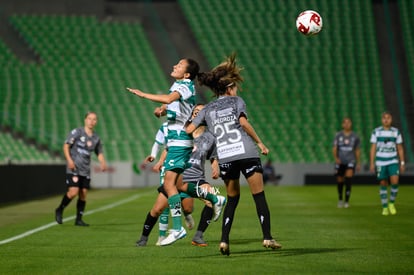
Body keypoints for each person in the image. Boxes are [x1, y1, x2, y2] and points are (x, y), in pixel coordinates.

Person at [186, 54, 282, 256]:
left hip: (226, 158)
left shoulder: (208, 108)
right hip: (246, 152)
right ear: (229, 88)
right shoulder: (236, 101)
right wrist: (260, 142)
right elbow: (244, 124)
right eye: (235, 87)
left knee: (232, 200)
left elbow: (188, 130)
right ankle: (267, 237)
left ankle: (224, 241)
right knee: (259, 196)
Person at [126, 59, 225, 246]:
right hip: (176, 142)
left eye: (179, 65)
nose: (174, 66)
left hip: (179, 142)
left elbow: (170, 98)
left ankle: (178, 228)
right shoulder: (180, 85)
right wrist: (162, 111)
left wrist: (143, 95)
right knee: (179, 186)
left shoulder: (185, 85)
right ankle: (214, 198)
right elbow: (175, 106)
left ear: (187, 74)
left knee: (169, 184)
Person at [136, 122, 195, 247]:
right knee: (159, 208)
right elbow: (164, 147)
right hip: (170, 169)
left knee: (188, 208)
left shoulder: (191, 125)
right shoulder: (165, 127)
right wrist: (157, 159)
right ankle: (149, 237)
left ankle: (191, 211)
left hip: (185, 170)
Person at [55, 111, 107, 226]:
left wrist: (102, 162)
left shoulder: (95, 137)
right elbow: (66, 145)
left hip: (85, 169)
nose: (91, 121)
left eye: (94, 119)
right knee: (73, 192)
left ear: (96, 122)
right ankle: (60, 209)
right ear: (85, 120)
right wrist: (69, 160)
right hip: (74, 167)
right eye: (89, 118)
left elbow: (99, 152)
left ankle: (78, 219)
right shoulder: (77, 132)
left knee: (83, 193)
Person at [369, 111, 405, 216]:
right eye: (384, 118)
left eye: (388, 118)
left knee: (395, 182)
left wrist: (402, 162)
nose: (386, 120)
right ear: (382, 120)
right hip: (381, 161)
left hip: (393, 160)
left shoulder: (396, 132)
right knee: (383, 183)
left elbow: (400, 148)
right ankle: (384, 207)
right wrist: (372, 163)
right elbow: (373, 148)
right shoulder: (376, 131)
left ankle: (391, 203)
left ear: (391, 119)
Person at [332, 117, 361, 208]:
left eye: (349, 122)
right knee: (340, 180)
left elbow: (357, 150)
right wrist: (336, 158)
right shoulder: (338, 135)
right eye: (345, 123)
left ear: (351, 124)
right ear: (342, 124)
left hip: (350, 160)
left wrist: (358, 162)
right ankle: (340, 199)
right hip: (340, 161)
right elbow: (335, 148)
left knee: (348, 179)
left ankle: (346, 201)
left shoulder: (355, 136)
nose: (347, 124)